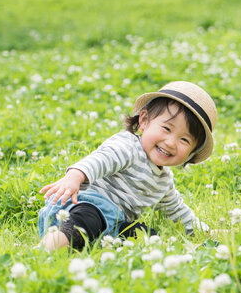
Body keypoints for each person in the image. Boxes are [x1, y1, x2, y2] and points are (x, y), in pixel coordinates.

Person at [37, 81, 216, 251]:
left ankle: (100, 245)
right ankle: (43, 251)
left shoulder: (164, 181)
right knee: (87, 221)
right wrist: (74, 177)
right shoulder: (128, 146)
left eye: (184, 140)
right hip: (81, 206)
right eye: (167, 129)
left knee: (147, 236)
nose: (170, 142)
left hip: (114, 223)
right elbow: (100, 160)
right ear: (144, 121)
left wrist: (205, 232)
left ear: (192, 153)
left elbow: (177, 210)